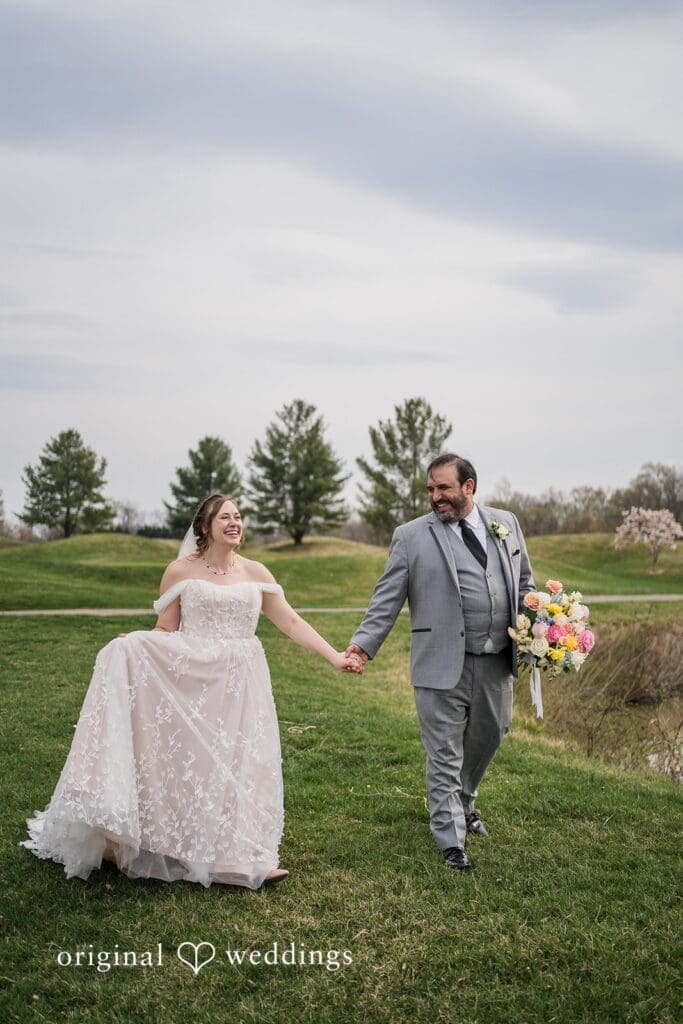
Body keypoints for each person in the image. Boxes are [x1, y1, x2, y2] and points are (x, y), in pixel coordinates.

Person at [21, 493, 363, 890]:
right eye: (225, 518)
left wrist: (335, 656)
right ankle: (163, 840)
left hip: (241, 681)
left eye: (238, 516)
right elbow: (166, 629)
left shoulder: (256, 571)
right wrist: (135, 645)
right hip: (193, 677)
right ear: (205, 527)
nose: (235, 523)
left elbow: (289, 621)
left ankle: (243, 855)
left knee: (241, 760)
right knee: (192, 762)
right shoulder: (180, 571)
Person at [346, 453, 535, 870]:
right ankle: (450, 837)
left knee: (489, 737)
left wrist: (544, 626)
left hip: (496, 660)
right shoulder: (411, 536)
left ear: (469, 487)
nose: (436, 497)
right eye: (431, 490)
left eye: (444, 488)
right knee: (444, 752)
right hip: (439, 662)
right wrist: (362, 645)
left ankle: (465, 805)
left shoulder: (506, 523)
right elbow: (387, 596)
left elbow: (525, 585)